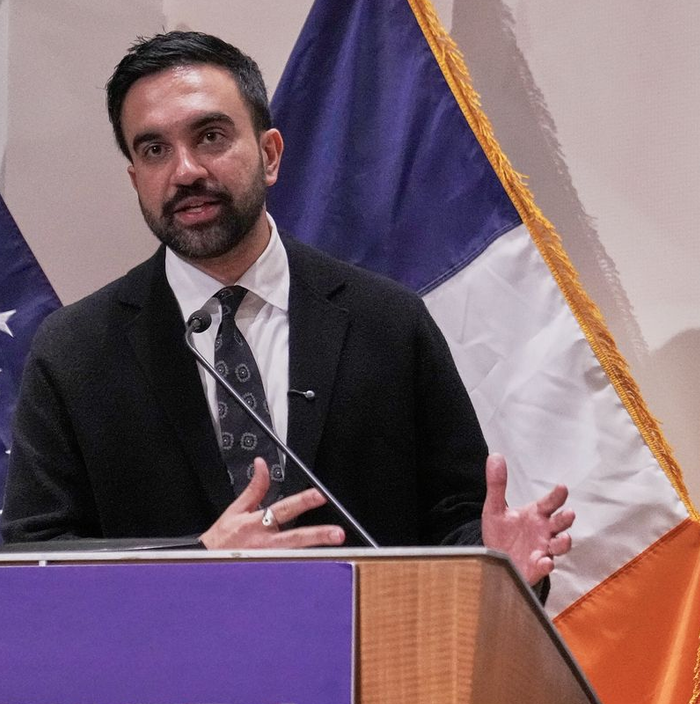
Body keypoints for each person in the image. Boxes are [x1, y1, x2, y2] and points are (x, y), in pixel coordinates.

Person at [1, 31, 572, 584]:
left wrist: (498, 562)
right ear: (135, 178)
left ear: (269, 154)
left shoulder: (388, 322)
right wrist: (194, 559)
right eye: (154, 150)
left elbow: (454, 521)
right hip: (170, 677)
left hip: (369, 668)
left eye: (211, 137)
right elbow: (34, 562)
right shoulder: (76, 352)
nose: (186, 172)